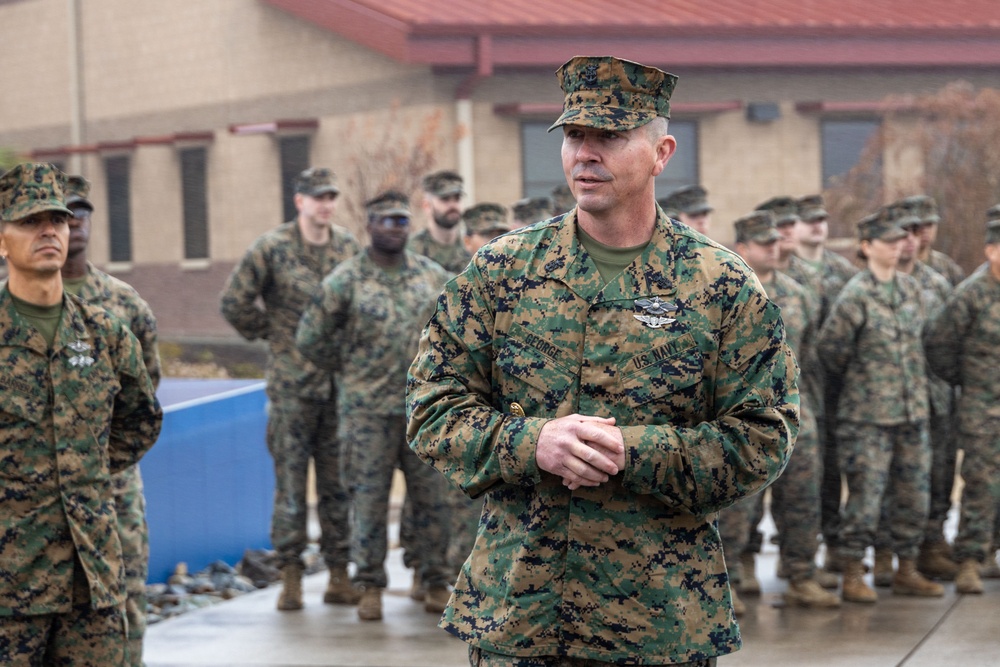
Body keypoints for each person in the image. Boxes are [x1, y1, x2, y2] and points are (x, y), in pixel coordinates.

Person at [407, 55, 798, 666]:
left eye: (610, 137)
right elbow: (432, 408)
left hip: (659, 622)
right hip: (521, 617)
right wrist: (531, 442)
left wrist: (632, 452)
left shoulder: (722, 286)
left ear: (662, 152)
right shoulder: (502, 272)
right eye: (573, 136)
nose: (585, 154)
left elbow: (762, 439)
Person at [0, 162, 162, 665]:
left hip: (90, 581)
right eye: (30, 221)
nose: (49, 230)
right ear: (1, 239)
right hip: (10, 585)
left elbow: (140, 418)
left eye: (58, 219)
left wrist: (79, 472)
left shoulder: (105, 332)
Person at [297, 190, 452, 622]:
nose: (393, 228)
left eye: (401, 221)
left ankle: (436, 580)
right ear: (370, 225)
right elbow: (309, 337)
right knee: (367, 501)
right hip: (365, 412)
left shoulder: (431, 276)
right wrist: (347, 368)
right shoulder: (345, 279)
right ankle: (369, 586)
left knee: (432, 499)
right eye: (385, 220)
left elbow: (455, 333)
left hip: (423, 411)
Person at [219, 167, 360, 611]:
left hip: (337, 389)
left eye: (331, 196)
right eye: (317, 196)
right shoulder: (272, 248)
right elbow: (234, 301)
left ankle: (339, 574)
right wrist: (274, 335)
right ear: (299, 201)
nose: (325, 204)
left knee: (338, 487)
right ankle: (292, 578)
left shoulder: (348, 248)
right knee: (291, 488)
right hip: (292, 391)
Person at [815, 208, 942, 603]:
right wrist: (866, 383)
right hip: (867, 416)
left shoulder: (912, 290)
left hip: (912, 412)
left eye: (901, 239)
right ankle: (853, 571)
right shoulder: (856, 295)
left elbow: (930, 343)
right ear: (867, 247)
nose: (898, 246)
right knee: (866, 497)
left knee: (913, 495)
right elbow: (830, 351)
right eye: (888, 241)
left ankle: (906, 568)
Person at [61, 175, 162, 666]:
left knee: (126, 591)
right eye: (61, 214)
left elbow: (146, 393)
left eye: (80, 212)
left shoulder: (123, 303)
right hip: (34, 490)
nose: (72, 223)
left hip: (113, 482)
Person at [720, 211, 840, 610]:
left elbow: (811, 353)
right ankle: (729, 580)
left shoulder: (798, 293)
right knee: (739, 506)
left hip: (794, 414)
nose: (774, 248)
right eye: (764, 243)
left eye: (776, 241)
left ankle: (801, 575)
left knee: (802, 499)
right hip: (743, 414)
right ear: (743, 249)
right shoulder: (727, 292)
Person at [878, 198, 958, 585]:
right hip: (887, 399)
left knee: (935, 476)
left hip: (934, 395)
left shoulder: (939, 281)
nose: (914, 238)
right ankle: (883, 553)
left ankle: (930, 544)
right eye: (906, 231)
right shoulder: (870, 284)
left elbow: (950, 339)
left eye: (921, 229)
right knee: (885, 479)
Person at [923, 206, 1000, 595]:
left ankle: (993, 551)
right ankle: (971, 557)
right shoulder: (971, 294)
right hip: (983, 407)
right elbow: (938, 343)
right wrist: (967, 379)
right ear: (990, 250)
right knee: (981, 481)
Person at [793, 194, 859, 573]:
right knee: (804, 476)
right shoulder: (789, 273)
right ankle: (798, 552)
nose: (817, 225)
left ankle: (833, 540)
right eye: (809, 220)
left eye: (822, 218)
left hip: (839, 388)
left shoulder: (843, 271)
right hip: (805, 387)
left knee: (833, 468)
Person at [407, 169, 471, 273]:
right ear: (427, 206)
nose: (453, 205)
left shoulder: (471, 247)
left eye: (457, 198)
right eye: (445, 199)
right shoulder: (411, 250)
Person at [908, 195, 966, 287]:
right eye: (919, 225)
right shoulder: (898, 267)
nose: (924, 230)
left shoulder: (948, 267)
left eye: (929, 224)